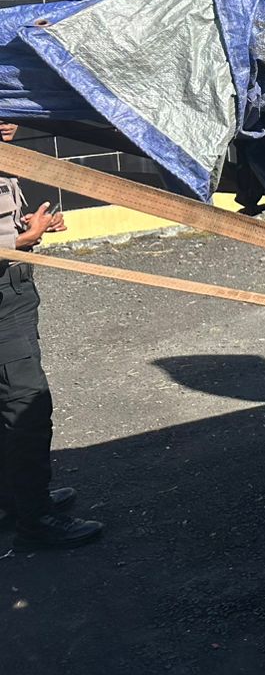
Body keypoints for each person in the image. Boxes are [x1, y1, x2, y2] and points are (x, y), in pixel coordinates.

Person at [0, 121, 103, 547]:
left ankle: (17, 502)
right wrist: (27, 237)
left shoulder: (4, 159)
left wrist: (28, 231)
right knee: (26, 408)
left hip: (13, 290)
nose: (9, 122)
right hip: (2, 301)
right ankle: (35, 521)